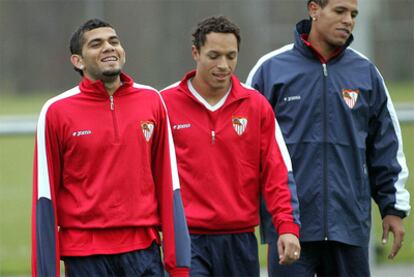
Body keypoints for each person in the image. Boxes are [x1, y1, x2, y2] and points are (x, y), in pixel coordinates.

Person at [246, 0, 411, 276]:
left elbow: (385, 146)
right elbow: (246, 149)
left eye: (353, 14)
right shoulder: (270, 70)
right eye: (340, 11)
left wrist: (392, 208)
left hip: (348, 225)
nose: (348, 20)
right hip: (289, 228)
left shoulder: (366, 73)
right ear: (313, 9)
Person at [31, 18, 191, 277]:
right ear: (78, 61)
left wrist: (179, 264)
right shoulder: (56, 111)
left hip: (144, 251)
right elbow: (45, 197)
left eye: (113, 41)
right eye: (96, 44)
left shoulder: (152, 100)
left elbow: (168, 183)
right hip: (85, 256)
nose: (108, 47)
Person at [160, 16, 301, 276]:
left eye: (230, 56)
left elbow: (277, 173)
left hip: (240, 241)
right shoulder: (163, 104)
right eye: (213, 55)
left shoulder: (256, 105)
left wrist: (288, 227)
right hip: (186, 239)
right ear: (195, 52)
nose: (223, 65)